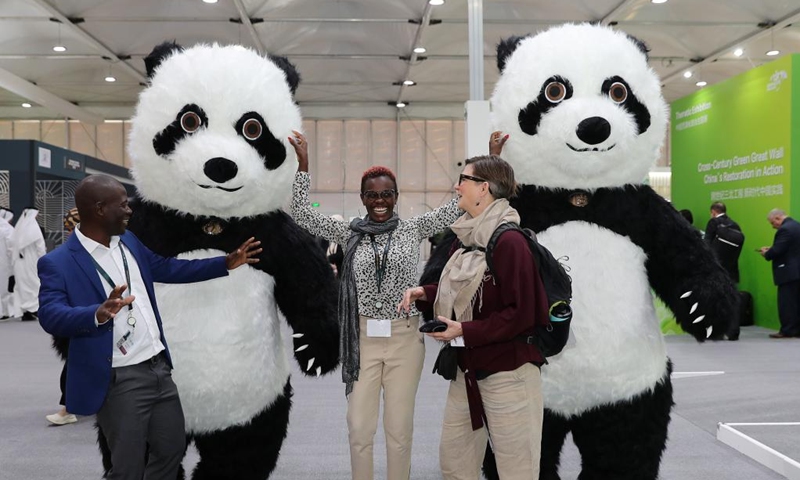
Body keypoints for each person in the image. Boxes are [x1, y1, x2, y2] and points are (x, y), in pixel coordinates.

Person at [37, 174, 261, 479]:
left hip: (159, 369)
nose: (130, 210)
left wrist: (224, 263)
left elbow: (166, 268)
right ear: (100, 209)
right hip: (119, 379)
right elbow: (50, 314)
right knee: (127, 467)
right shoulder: (59, 262)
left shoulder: (128, 241)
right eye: (123, 204)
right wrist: (97, 314)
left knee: (170, 452)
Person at [288, 131, 461, 480]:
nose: (379, 201)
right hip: (362, 338)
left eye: (386, 194)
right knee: (359, 428)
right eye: (372, 195)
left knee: (399, 431)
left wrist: (486, 160)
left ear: (396, 196)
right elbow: (303, 214)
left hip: (403, 340)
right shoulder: (349, 232)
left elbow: (458, 205)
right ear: (362, 198)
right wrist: (303, 164)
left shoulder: (414, 228)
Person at [399, 155, 549, 479]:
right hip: (467, 373)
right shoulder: (465, 238)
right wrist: (426, 293)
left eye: (463, 179)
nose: (457, 186)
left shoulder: (510, 242)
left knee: (517, 471)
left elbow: (522, 313)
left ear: (484, 188)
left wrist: (463, 331)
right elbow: (467, 288)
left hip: (510, 374)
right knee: (455, 467)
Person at [46, 207, 81, 426]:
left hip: (88, 317)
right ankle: (69, 406)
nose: (70, 232)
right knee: (74, 364)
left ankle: (69, 407)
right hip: (76, 317)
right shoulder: (64, 255)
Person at [759, 209, 800, 339]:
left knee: (787, 304)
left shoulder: (785, 229)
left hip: (788, 272)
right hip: (797, 270)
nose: (773, 226)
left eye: (773, 223)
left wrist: (767, 253)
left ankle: (787, 330)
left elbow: (777, 250)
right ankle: (797, 330)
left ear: (777, 218)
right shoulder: (797, 225)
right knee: (797, 303)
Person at [10, 207, 46, 321]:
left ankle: (26, 312)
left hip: (18, 264)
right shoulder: (34, 228)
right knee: (34, 284)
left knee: (22, 286)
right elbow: (40, 247)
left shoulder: (18, 228)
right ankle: (33, 309)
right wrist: (44, 261)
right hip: (32, 262)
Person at [703, 202, 743, 282]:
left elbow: (707, 243)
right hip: (731, 268)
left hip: (716, 266)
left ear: (713, 212)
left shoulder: (713, 222)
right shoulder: (735, 224)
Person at [0, 208, 14, 320]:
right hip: (4, 263)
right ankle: (4, 311)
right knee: (4, 288)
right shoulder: (7, 229)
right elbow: (11, 248)